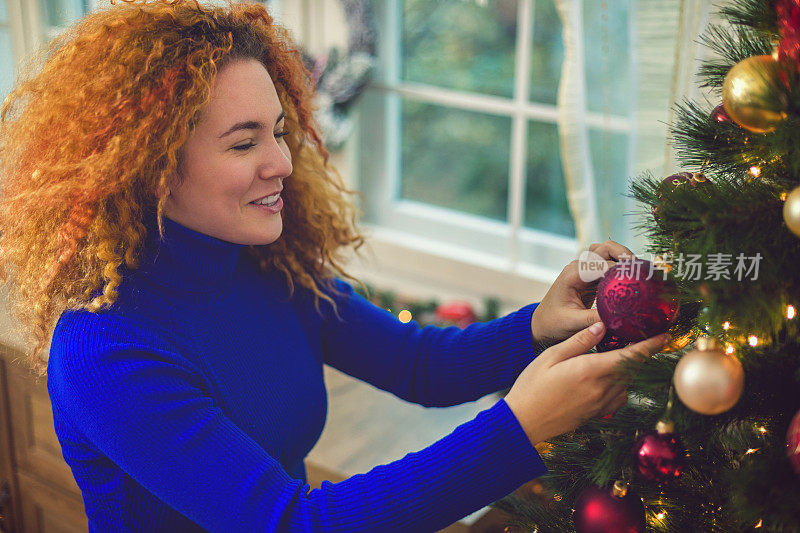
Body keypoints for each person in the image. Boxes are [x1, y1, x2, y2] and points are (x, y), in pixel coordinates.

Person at [0, 1, 670, 531]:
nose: (283, 164)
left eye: (281, 131)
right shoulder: (107, 348)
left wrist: (538, 327)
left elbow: (420, 362)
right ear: (147, 168)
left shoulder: (268, 265)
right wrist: (517, 430)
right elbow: (290, 522)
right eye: (244, 142)